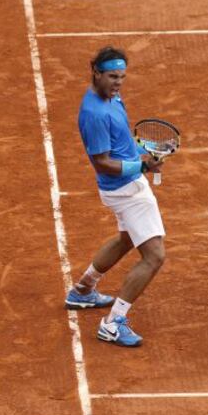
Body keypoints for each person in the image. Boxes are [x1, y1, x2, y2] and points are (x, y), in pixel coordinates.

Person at [65, 46, 166, 347]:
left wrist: (142, 147)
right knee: (154, 256)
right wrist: (144, 164)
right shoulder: (94, 113)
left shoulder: (112, 97)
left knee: (126, 239)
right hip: (126, 190)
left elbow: (122, 140)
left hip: (125, 184)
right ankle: (113, 323)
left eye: (121, 76)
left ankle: (83, 291)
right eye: (112, 76)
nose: (118, 82)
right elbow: (102, 163)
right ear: (96, 72)